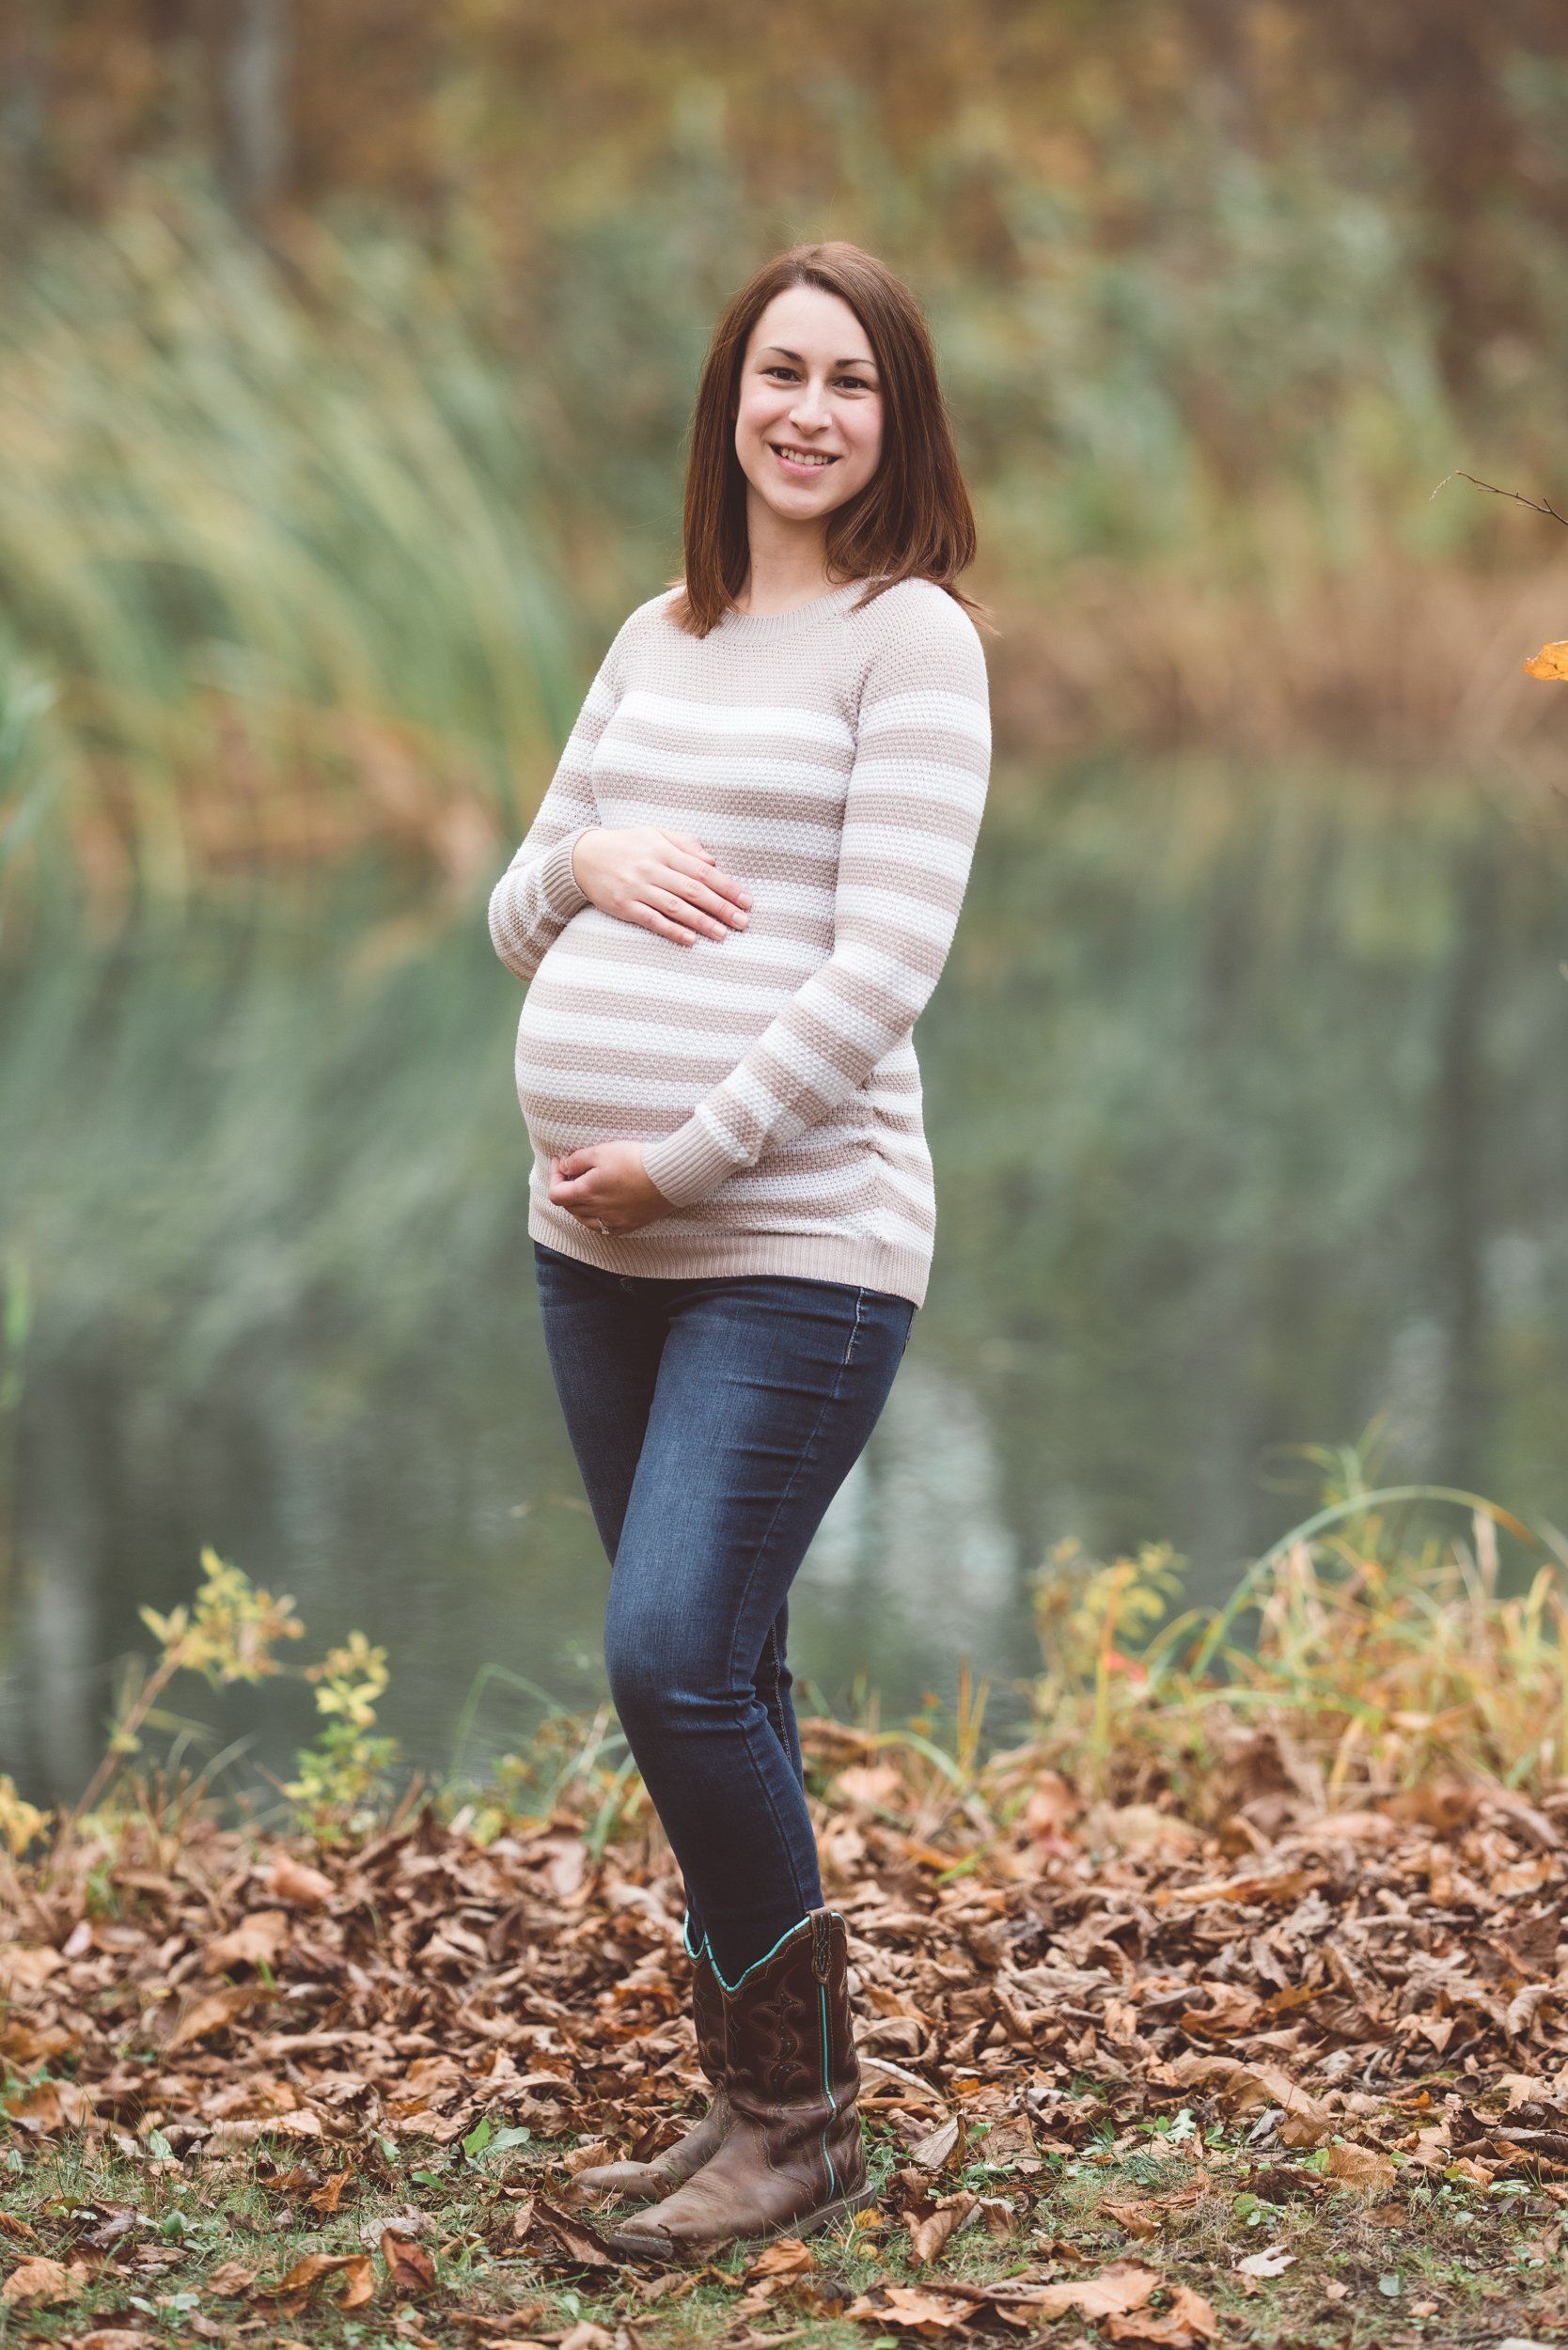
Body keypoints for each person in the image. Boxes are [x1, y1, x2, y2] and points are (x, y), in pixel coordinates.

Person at [486, 239, 993, 2259]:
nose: (806, 409)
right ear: (729, 401)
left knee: (667, 1652)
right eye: (777, 371)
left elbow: (886, 971)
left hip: (798, 1238)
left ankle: (792, 2120)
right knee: (731, 1669)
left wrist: (690, 1152)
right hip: (589, 1249)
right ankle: (764, 2113)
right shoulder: (656, 633)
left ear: (898, 419)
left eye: (849, 381)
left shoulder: (913, 640)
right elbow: (517, 909)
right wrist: (586, 859)